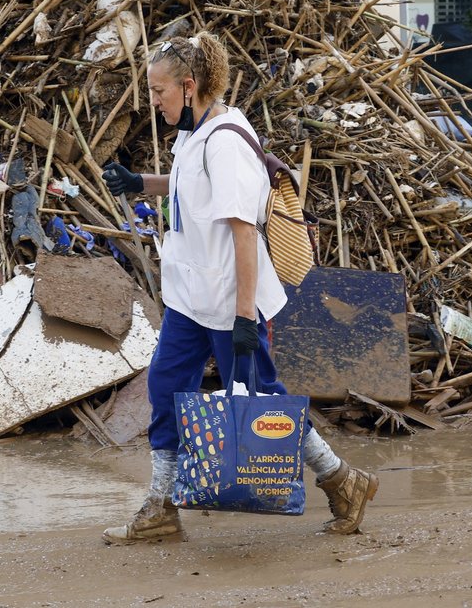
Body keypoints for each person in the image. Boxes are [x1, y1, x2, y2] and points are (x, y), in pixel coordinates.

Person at [100, 32, 378, 544]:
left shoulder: (226, 142)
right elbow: (189, 183)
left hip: (231, 302)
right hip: (191, 299)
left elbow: (244, 234)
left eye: (159, 91)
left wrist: (246, 318)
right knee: (165, 387)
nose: (153, 101)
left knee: (262, 400)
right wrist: (141, 182)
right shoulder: (195, 131)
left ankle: (343, 480)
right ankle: (161, 505)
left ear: (189, 86)